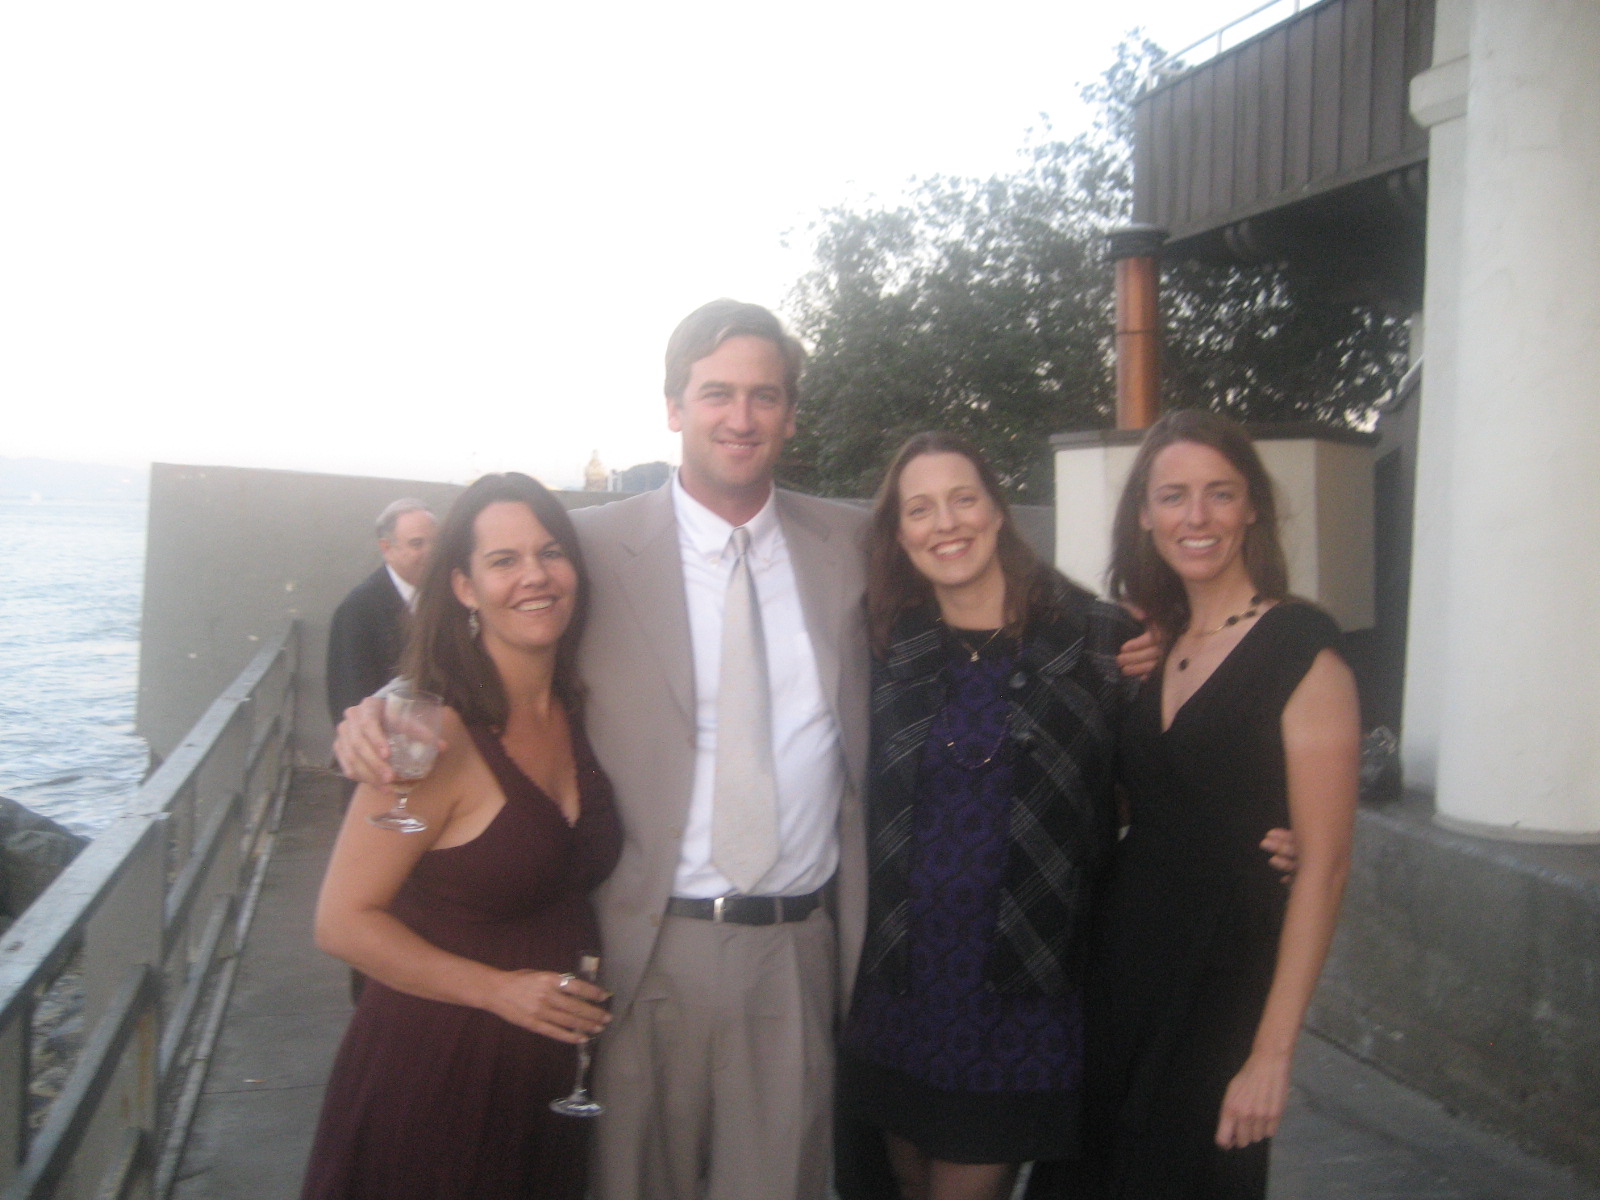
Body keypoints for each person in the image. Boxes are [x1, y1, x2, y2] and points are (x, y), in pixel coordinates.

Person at [301, 473, 621, 1200]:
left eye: (550, 552)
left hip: (545, 1078)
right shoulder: (425, 736)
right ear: (465, 587)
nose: (534, 575)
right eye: (504, 560)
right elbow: (341, 922)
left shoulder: (578, 710)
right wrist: (499, 992)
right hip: (439, 1072)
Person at [837, 432, 1135, 1200]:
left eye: (963, 499)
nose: (946, 523)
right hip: (901, 980)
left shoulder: (1099, 639)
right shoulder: (882, 645)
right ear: (900, 534)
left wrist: (1267, 831)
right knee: (903, 1181)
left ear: (998, 511)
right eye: (920, 509)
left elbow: (1170, 772)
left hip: (1022, 982)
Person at [1079, 409, 1360, 1199]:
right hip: (1122, 960)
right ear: (1145, 514)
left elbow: (1326, 869)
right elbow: (1139, 800)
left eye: (1220, 493)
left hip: (1224, 976)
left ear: (1252, 508)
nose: (1195, 516)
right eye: (1173, 496)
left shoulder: (1301, 650)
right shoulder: (1151, 646)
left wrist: (1271, 1055)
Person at [325, 499, 437, 725]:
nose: (432, 552)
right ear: (387, 548)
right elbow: (349, 703)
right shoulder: (357, 611)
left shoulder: (444, 595)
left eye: (436, 542)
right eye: (417, 544)